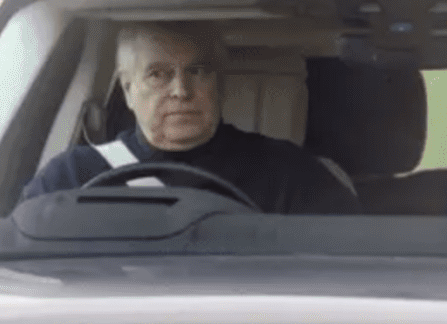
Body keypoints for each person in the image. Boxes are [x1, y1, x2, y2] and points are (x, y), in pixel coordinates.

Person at [21, 21, 361, 214]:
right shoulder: (70, 179)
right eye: (158, 74)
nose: (181, 91)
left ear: (219, 84)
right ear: (128, 90)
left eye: (198, 71)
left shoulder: (290, 176)